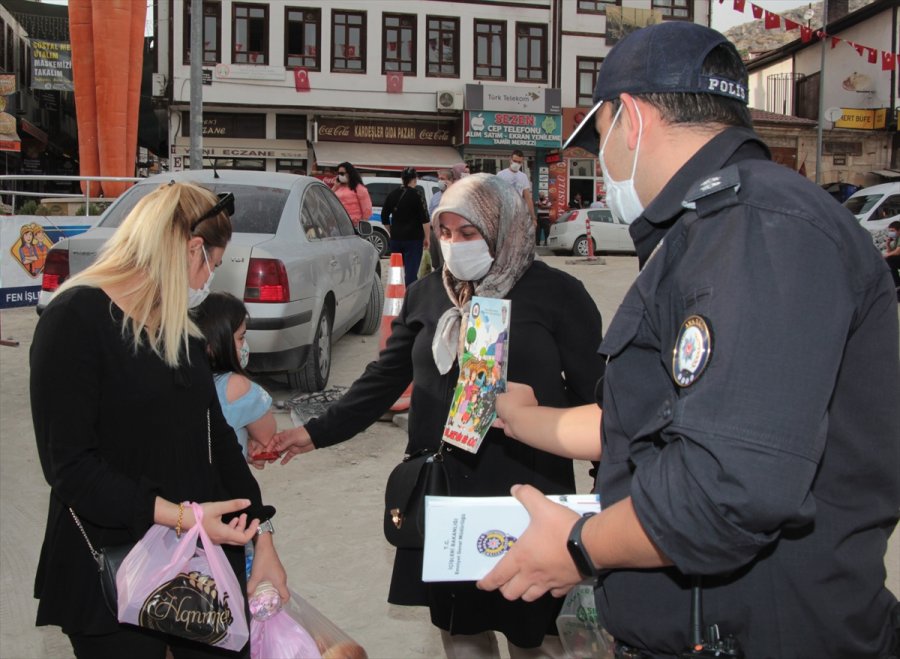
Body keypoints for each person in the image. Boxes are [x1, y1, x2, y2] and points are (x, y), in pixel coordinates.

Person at [478, 21, 900, 658]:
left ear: (634, 119)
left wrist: (579, 547)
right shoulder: (708, 228)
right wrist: (524, 418)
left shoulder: (760, 230)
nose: (604, 157)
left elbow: (728, 488)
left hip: (773, 636)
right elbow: (651, 422)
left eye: (600, 135)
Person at [266, 173, 605, 658]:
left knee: (536, 637)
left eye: (468, 233)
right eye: (444, 233)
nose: (453, 245)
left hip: (527, 494)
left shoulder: (558, 295)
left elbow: (599, 397)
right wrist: (315, 434)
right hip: (448, 493)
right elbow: (384, 378)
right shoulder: (430, 293)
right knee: (461, 632)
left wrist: (603, 485)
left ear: (503, 227)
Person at [30, 181, 288, 657]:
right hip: (111, 567)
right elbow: (71, 467)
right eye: (213, 263)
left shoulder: (182, 335)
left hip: (196, 566)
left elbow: (222, 453)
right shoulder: (74, 320)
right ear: (192, 250)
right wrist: (182, 517)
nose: (209, 279)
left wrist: (263, 539)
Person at [194, 291, 276, 461]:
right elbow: (267, 437)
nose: (245, 345)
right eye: (241, 337)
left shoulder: (181, 377)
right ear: (214, 344)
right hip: (223, 484)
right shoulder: (236, 386)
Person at [381, 167, 430, 285]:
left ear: (402, 179)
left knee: (396, 269)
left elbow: (384, 216)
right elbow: (425, 219)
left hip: (396, 238)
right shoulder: (417, 194)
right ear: (415, 179)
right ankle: (409, 294)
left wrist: (391, 231)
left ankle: (396, 291)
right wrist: (427, 237)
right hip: (414, 238)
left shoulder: (392, 194)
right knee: (411, 271)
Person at [428, 163, 469, 269]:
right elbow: (430, 214)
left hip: (446, 233)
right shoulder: (436, 196)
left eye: (443, 178)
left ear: (450, 180)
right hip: (434, 232)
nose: (440, 181)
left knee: (445, 262)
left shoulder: (456, 194)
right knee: (435, 262)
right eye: (439, 178)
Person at [496, 149, 537, 227]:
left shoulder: (523, 177)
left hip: (518, 213)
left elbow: (528, 198)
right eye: (515, 161)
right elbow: (495, 195)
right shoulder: (501, 175)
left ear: (522, 162)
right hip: (503, 213)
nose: (517, 164)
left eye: (519, 162)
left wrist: (533, 218)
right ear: (510, 160)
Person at [331, 161, 373, 229]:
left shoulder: (359, 189)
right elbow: (328, 198)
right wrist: (335, 187)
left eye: (342, 173)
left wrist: (362, 226)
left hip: (353, 225)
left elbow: (366, 209)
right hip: (337, 223)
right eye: (338, 173)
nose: (340, 176)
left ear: (350, 173)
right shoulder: (338, 187)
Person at [883, 220, 900, 299]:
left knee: (889, 260)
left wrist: (886, 256)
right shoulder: (896, 239)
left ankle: (897, 286)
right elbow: (891, 252)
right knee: (889, 260)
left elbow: (897, 252)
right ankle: (896, 285)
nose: (891, 233)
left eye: (892, 231)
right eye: (890, 231)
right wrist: (887, 244)